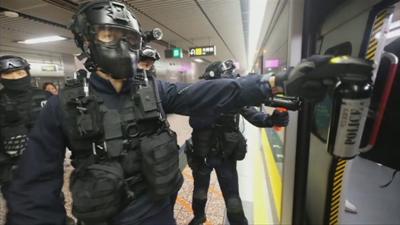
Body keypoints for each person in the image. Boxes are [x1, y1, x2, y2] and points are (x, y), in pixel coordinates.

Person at [4, 1, 344, 225]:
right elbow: (33, 190)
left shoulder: (153, 88)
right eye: (110, 35)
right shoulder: (61, 105)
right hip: (107, 215)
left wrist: (273, 82)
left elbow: (208, 94)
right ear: (88, 42)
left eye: (129, 38)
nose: (122, 46)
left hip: (159, 206)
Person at [186, 60, 289, 225]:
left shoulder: (232, 98)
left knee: (230, 195)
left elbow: (254, 115)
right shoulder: (202, 97)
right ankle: (199, 216)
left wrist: (272, 120)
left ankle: (235, 222)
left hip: (222, 154)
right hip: (204, 153)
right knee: (202, 190)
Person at [0, 55, 48, 196]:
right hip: (12, 169)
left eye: (20, 73)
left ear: (28, 73)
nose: (15, 78)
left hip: (45, 164)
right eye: (8, 74)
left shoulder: (44, 97)